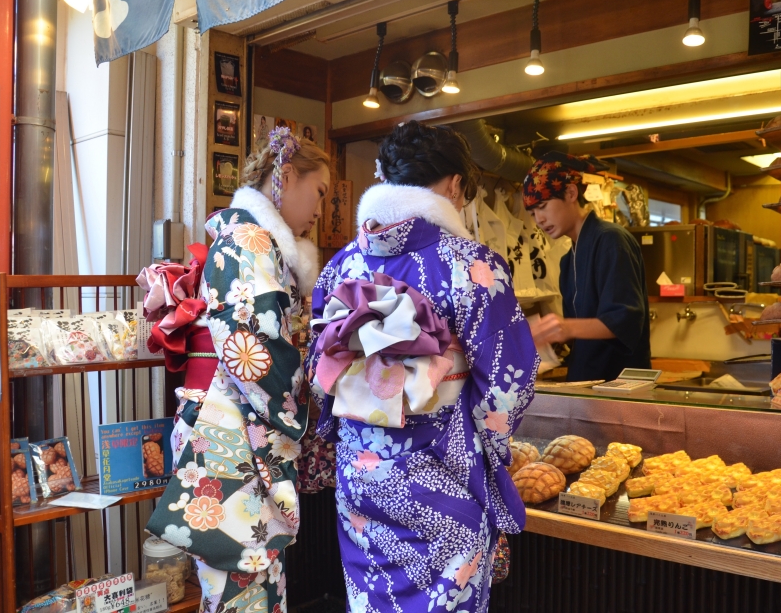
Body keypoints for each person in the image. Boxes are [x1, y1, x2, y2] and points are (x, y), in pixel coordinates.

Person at [305, 121, 538, 612]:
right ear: (454, 185)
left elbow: (320, 371)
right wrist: (487, 451)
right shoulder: (473, 267)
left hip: (361, 473)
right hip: (440, 473)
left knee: (373, 601)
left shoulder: (341, 266)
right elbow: (507, 383)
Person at [143, 127, 330, 613]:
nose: (320, 209)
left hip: (227, 420)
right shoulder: (249, 241)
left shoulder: (251, 240)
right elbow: (252, 350)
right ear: (284, 176)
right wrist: (310, 391)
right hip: (229, 428)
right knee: (242, 585)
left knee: (247, 585)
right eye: (320, 192)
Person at [523, 152, 650, 382]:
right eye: (532, 213)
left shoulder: (612, 240)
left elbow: (625, 320)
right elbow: (580, 331)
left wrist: (564, 327)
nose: (538, 220)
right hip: (586, 383)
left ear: (571, 193)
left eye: (542, 206)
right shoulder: (567, 259)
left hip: (619, 385)